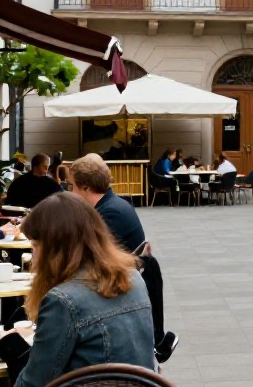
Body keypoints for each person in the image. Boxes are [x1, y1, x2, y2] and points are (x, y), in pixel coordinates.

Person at [0, 192, 157, 387]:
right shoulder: (133, 278)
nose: (32, 255)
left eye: (35, 245)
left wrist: (14, 347)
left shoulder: (63, 300)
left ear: (57, 248)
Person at [68, 154, 177, 363]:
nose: (70, 192)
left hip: (116, 293)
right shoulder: (113, 204)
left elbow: (87, 261)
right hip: (122, 285)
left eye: (72, 186)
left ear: (86, 188)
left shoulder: (108, 214)